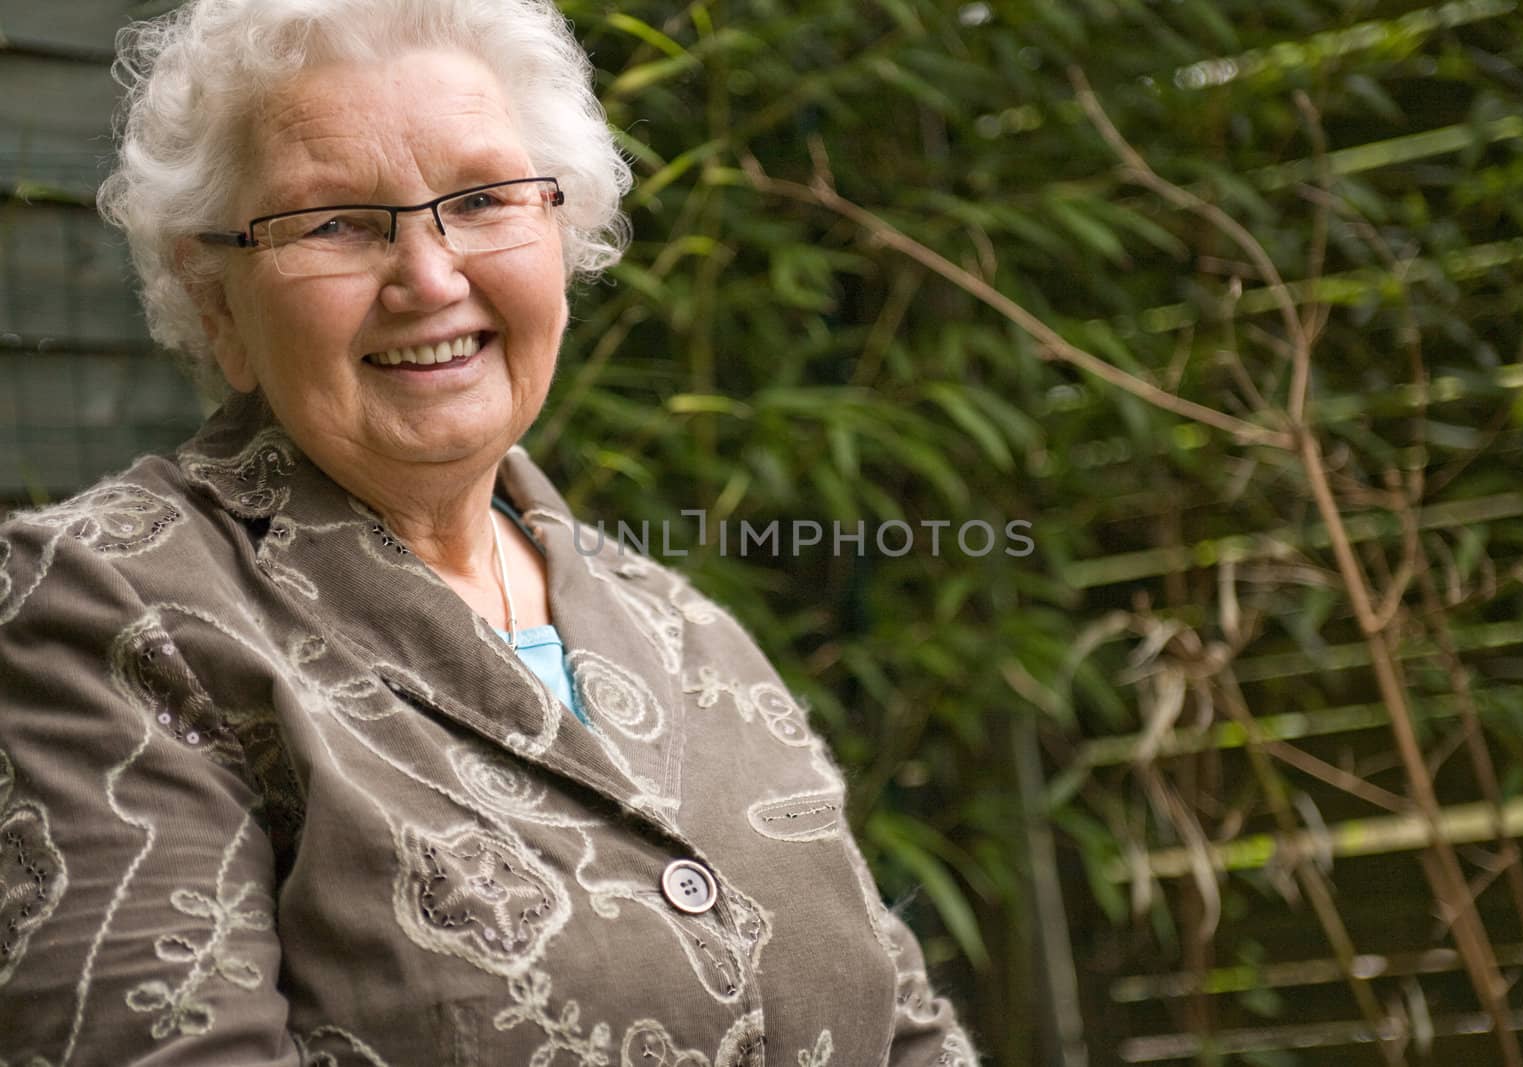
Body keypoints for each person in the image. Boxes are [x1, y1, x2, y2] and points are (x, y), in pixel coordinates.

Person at [0, 0, 975, 1063]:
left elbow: (905, 1028)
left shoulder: (683, 628)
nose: (429, 277)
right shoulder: (102, 608)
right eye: (335, 221)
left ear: (561, 233)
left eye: (481, 199)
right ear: (217, 298)